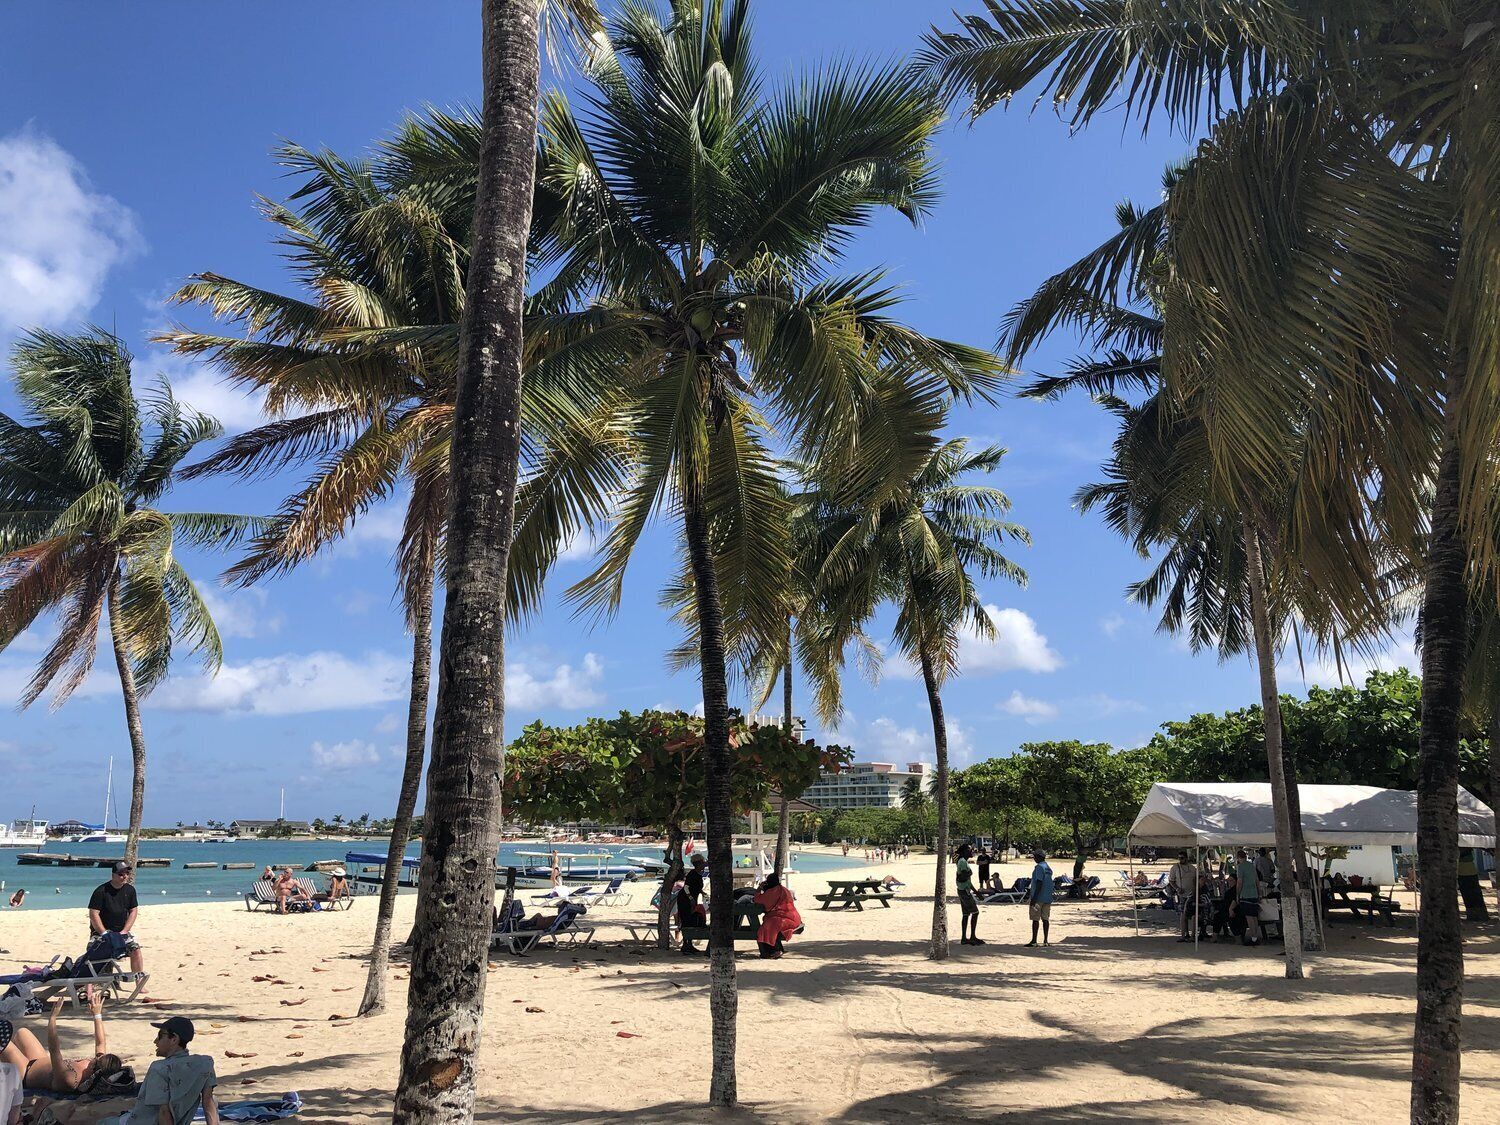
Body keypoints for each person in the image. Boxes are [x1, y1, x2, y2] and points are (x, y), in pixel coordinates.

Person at [92, 1015, 218, 1125]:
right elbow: (208, 1103)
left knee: (93, 1120)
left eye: (160, 1036)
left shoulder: (160, 1068)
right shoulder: (205, 1063)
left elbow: (164, 1112)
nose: (155, 1041)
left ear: (174, 1039)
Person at [0, 988, 123, 1096]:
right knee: (23, 1032)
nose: (95, 1058)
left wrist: (53, 1018)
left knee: (2, 1040)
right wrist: (97, 1014)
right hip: (39, 1060)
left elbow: (54, 1050)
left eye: (96, 1060)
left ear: (95, 1071)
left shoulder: (70, 1079)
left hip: (25, 1074)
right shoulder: (97, 1067)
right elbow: (101, 1043)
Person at [87, 864, 142, 975]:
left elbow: (133, 910)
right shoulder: (101, 891)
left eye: (127, 874)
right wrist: (104, 933)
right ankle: (89, 987)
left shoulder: (130, 890)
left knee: (136, 949)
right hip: (101, 933)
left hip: (121, 933)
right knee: (91, 953)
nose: (124, 876)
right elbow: (93, 914)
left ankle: (139, 981)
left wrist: (125, 931)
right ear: (113, 875)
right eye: (121, 874)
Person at [753, 873, 802, 958]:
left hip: (784, 918)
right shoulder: (784, 889)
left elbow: (757, 899)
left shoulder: (772, 892)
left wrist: (759, 888)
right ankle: (776, 949)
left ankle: (774, 950)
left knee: (764, 928)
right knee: (769, 925)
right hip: (794, 918)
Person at [676, 853, 708, 956]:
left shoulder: (697, 873)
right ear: (698, 863)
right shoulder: (693, 874)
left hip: (690, 898)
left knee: (689, 919)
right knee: (686, 920)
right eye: (702, 862)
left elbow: (695, 887)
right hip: (685, 899)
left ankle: (688, 944)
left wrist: (702, 892)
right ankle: (686, 945)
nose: (704, 864)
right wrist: (690, 898)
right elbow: (686, 887)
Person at [1167, 851, 1200, 943]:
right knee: (1183, 914)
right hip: (1181, 894)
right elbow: (1171, 881)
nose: (1180, 860)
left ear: (1186, 858)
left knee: (1193, 914)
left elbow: (1196, 880)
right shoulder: (1175, 868)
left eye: (1182, 858)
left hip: (1192, 895)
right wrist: (1177, 889)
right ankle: (1184, 934)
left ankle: (1193, 935)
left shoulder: (1193, 868)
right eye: (1179, 858)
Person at [1234, 848, 1263, 946]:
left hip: (1246, 894)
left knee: (1249, 917)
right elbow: (1257, 880)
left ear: (1238, 857)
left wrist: (1237, 894)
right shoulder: (1251, 866)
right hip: (1254, 893)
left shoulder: (1240, 867)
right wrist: (1259, 893)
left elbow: (1240, 881)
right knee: (1254, 917)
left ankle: (1253, 938)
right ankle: (1255, 936)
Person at [1025, 850, 1054, 947]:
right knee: (1045, 919)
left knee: (1035, 919)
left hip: (1039, 898)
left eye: (1035, 857)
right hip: (1048, 897)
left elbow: (1039, 882)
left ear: (1038, 857)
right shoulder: (1048, 868)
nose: (1034, 858)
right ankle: (1046, 940)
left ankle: (1034, 941)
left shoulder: (1039, 867)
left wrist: (1034, 898)